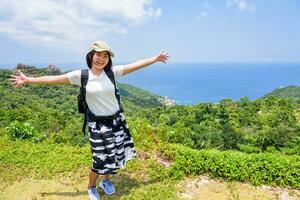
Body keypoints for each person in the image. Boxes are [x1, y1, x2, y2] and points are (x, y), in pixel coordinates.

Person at [9, 40, 169, 200]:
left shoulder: (112, 73)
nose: (101, 59)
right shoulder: (81, 76)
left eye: (105, 55)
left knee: (112, 155)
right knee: (99, 159)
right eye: (98, 54)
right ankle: (91, 186)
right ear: (91, 55)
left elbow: (136, 65)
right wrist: (29, 80)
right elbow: (53, 79)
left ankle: (105, 182)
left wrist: (155, 58)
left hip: (116, 122)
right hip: (97, 125)